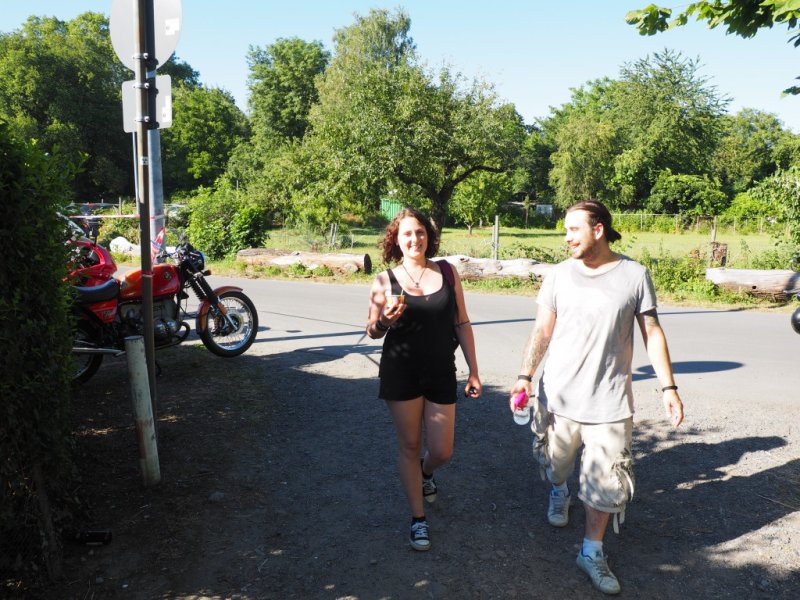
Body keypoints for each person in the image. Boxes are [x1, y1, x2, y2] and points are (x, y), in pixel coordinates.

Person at [509, 200, 684, 595]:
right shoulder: (558, 275)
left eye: (574, 229)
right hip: (558, 396)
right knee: (557, 463)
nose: (566, 237)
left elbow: (652, 332)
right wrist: (524, 377)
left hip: (610, 401)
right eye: (565, 231)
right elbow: (542, 331)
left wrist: (669, 387)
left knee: (606, 482)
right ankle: (559, 489)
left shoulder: (634, 275)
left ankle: (591, 550)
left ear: (598, 229)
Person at [367, 207, 481, 552]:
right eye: (407, 233)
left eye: (420, 232)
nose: (414, 239)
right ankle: (418, 519)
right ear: (396, 240)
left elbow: (461, 322)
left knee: (442, 450)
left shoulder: (447, 272)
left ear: (429, 236)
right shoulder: (385, 280)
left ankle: (426, 473)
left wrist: (474, 370)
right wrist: (385, 321)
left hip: (441, 370)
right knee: (410, 445)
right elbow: (372, 330)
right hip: (400, 371)